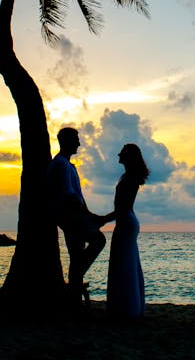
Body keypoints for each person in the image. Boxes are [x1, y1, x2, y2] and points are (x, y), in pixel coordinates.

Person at [47, 127, 113, 306]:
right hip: (71, 218)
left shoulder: (66, 164)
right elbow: (69, 198)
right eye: (76, 139)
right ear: (67, 141)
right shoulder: (60, 164)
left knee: (77, 254)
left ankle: (74, 288)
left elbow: (76, 197)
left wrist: (89, 215)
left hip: (73, 217)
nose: (79, 143)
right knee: (98, 241)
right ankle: (75, 282)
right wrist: (90, 216)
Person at [107, 143, 149, 319]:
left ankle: (126, 309)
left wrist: (101, 220)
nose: (119, 156)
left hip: (126, 221)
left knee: (123, 264)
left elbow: (122, 207)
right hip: (127, 220)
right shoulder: (129, 176)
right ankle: (128, 307)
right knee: (127, 263)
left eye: (123, 153)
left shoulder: (130, 178)